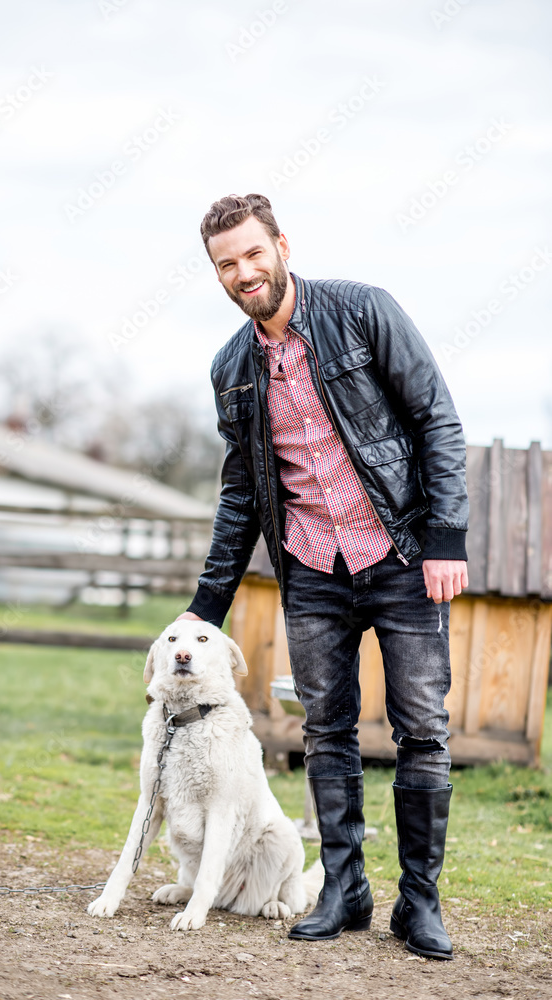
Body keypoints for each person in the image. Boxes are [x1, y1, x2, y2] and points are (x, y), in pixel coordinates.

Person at [178, 193, 468, 959]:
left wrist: (444, 537)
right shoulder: (231, 370)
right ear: (216, 273)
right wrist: (205, 606)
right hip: (309, 566)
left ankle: (419, 903)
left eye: (252, 254)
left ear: (280, 245)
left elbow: (435, 417)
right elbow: (241, 492)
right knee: (326, 732)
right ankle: (344, 891)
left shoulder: (363, 310)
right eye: (226, 264)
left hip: (401, 556)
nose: (244, 272)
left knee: (423, 734)